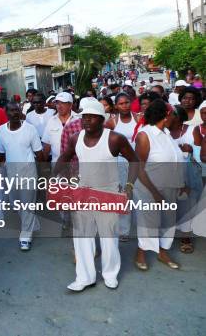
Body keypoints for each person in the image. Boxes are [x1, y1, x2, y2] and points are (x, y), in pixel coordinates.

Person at [55, 99, 138, 291]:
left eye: (92, 117)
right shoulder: (76, 137)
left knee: (109, 238)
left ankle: (110, 274)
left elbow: (134, 160)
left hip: (108, 192)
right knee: (82, 236)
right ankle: (85, 277)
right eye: (84, 116)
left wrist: (129, 186)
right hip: (83, 191)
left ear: (101, 119)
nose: (87, 120)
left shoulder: (115, 139)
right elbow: (65, 157)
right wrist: (52, 177)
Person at [133, 100, 185, 271]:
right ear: (166, 115)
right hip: (149, 187)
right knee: (149, 220)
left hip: (170, 186)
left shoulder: (167, 134)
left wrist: (181, 183)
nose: (175, 118)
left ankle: (163, 252)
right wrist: (154, 192)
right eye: (173, 114)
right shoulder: (145, 135)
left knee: (168, 220)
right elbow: (138, 168)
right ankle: (141, 252)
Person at [0, 102, 44, 251]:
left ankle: (25, 236)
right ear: (6, 113)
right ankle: (31, 222)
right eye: (11, 110)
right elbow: (0, 153)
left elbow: (39, 153)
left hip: (28, 171)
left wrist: (44, 173)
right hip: (11, 172)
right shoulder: (1, 130)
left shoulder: (30, 129)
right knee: (15, 202)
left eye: (17, 110)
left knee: (27, 204)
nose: (15, 113)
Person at [167, 105, 202, 254]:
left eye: (170, 114)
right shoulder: (163, 131)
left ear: (178, 117)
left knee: (186, 204)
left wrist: (191, 150)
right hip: (167, 173)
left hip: (187, 173)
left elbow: (201, 153)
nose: (166, 117)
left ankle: (185, 237)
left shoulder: (192, 130)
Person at [104, 93, 139, 240]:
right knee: (122, 194)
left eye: (127, 103)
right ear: (116, 106)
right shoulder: (113, 122)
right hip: (119, 163)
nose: (125, 106)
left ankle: (140, 227)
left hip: (136, 161)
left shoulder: (138, 118)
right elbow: (104, 140)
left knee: (137, 193)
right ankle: (123, 230)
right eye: (121, 103)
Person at [42, 92, 80, 164]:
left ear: (70, 105)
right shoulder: (51, 121)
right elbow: (47, 145)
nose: (59, 106)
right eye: (57, 103)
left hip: (76, 166)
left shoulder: (78, 120)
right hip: (57, 166)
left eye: (63, 103)